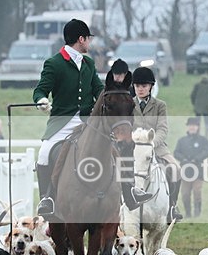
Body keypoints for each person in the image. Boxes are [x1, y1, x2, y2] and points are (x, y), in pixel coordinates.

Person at [32, 19, 148, 218]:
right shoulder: (54, 63)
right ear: (80, 39)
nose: (90, 43)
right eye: (88, 39)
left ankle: (129, 190)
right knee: (44, 153)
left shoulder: (88, 63)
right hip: (62, 123)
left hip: (89, 122)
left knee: (118, 147)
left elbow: (98, 89)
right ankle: (47, 198)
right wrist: (41, 100)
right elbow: (41, 89)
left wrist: (116, 96)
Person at [132, 66, 183, 222]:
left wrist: (152, 143)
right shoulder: (128, 104)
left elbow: (162, 128)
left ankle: (172, 206)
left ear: (151, 87)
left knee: (176, 168)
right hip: (134, 148)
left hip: (157, 147)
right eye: (137, 86)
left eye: (144, 86)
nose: (140, 89)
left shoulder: (160, 105)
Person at [174, 117, 208, 218]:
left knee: (197, 191)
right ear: (188, 127)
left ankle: (197, 212)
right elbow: (176, 152)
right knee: (185, 194)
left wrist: (197, 159)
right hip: (185, 171)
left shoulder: (203, 140)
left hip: (198, 171)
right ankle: (188, 213)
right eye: (190, 126)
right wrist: (183, 159)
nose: (192, 127)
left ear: (197, 127)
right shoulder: (182, 140)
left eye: (194, 126)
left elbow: (207, 152)